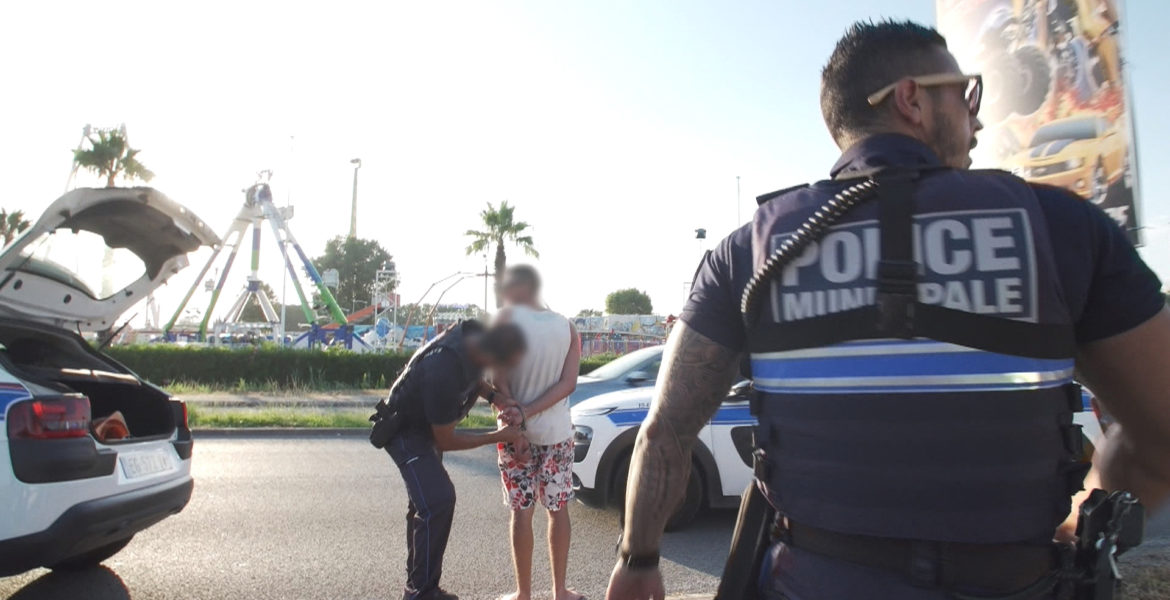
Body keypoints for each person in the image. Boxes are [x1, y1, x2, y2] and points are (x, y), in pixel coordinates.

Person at [606, 19, 1170, 600]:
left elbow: (665, 433)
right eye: (966, 92)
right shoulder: (1059, 227)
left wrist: (638, 559)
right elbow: (1160, 431)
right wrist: (1085, 521)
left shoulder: (747, 251)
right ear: (912, 99)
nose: (977, 116)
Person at [382, 319, 527, 600]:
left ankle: (420, 586)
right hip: (406, 432)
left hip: (423, 425)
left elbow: (475, 379)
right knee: (437, 500)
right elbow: (444, 439)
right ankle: (421, 592)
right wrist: (500, 436)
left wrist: (496, 397)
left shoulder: (473, 340)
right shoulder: (443, 370)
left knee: (427, 504)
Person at [492, 265, 584, 600]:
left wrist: (517, 422)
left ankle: (524, 594)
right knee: (557, 510)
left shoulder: (503, 321)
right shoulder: (567, 326)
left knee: (522, 510)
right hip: (557, 433)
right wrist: (531, 412)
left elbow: (497, 381)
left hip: (514, 433)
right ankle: (560, 591)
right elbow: (568, 383)